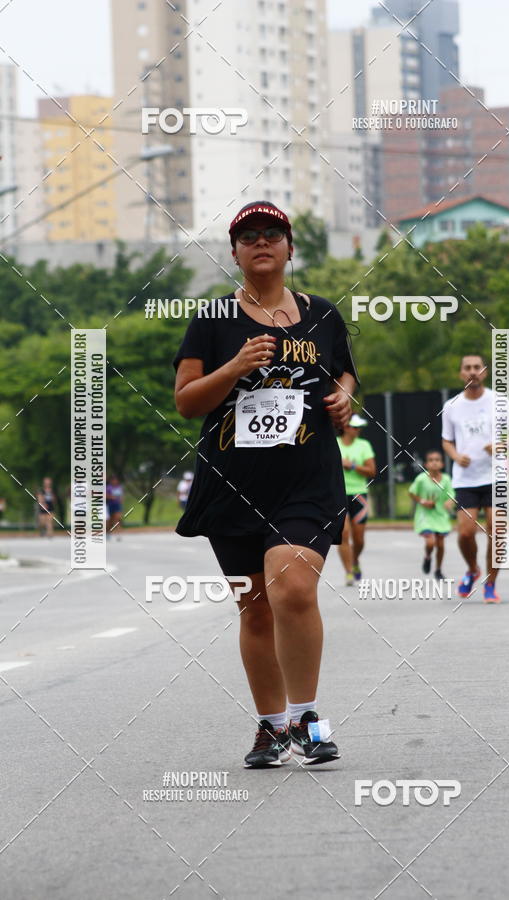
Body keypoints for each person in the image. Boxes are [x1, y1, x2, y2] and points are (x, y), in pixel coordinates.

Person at [173, 200, 358, 768]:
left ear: (289, 248)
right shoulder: (213, 321)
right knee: (254, 608)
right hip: (232, 485)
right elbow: (186, 401)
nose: (261, 242)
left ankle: (307, 718)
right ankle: (271, 727)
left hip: (308, 481)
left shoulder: (321, 315)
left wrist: (346, 398)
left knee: (294, 588)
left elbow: (346, 373)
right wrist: (232, 368)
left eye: (272, 234)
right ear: (234, 252)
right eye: (248, 236)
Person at [441, 354, 505, 603]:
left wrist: (502, 444)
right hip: (466, 478)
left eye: (477, 367)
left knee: (497, 530)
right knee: (466, 533)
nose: (472, 372)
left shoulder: (499, 401)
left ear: (485, 372)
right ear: (460, 373)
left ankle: (491, 583)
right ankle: (472, 569)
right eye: (467, 368)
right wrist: (455, 455)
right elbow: (446, 440)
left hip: (496, 474)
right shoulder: (452, 406)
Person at [336, 414, 376, 586]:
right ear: (345, 427)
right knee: (343, 534)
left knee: (359, 539)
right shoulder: (334, 444)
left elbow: (371, 471)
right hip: (338, 494)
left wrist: (351, 465)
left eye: (360, 427)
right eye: (355, 427)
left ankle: (355, 560)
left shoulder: (364, 445)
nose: (358, 430)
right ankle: (349, 572)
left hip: (359, 495)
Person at [409, 450, 455, 580]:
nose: (434, 463)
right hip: (425, 515)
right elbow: (412, 492)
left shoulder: (446, 479)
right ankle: (428, 557)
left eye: (437, 460)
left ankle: (438, 569)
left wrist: (449, 502)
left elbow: (451, 494)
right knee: (430, 543)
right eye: (431, 460)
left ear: (442, 464)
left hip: (440, 515)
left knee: (440, 544)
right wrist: (423, 501)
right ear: (426, 464)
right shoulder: (421, 479)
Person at [106, 475, 124, 540]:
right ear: (111, 481)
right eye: (113, 480)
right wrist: (112, 497)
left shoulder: (119, 487)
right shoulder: (109, 488)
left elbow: (121, 495)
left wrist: (121, 500)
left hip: (117, 505)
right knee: (110, 521)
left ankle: (118, 534)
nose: (115, 481)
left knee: (117, 519)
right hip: (110, 505)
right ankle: (108, 532)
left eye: (116, 480)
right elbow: (105, 496)